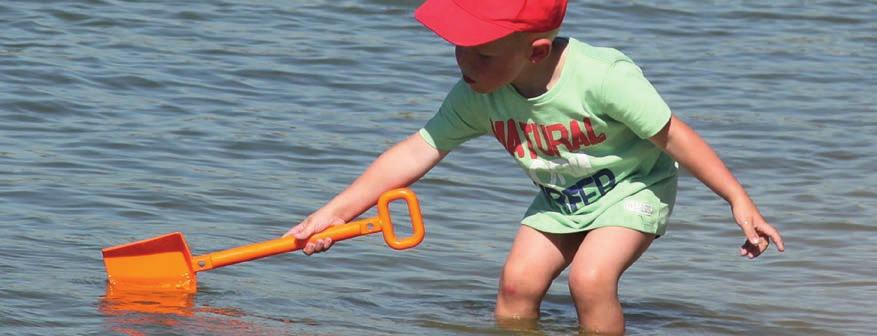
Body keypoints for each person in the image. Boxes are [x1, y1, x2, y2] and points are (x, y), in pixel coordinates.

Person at [283, 0, 785, 334]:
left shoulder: (604, 78)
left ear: (536, 50)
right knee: (515, 286)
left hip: (635, 186)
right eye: (459, 46)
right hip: (560, 196)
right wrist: (337, 211)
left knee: (589, 280)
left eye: (481, 52)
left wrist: (738, 200)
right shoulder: (477, 93)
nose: (463, 62)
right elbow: (417, 150)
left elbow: (675, 136)